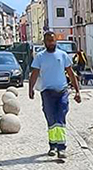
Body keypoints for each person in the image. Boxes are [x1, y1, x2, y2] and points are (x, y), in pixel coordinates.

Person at [29, 32, 82, 162]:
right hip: (47, 92)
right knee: (51, 119)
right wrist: (30, 89)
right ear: (44, 42)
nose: (51, 43)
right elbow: (34, 74)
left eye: (53, 41)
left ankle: (61, 148)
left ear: (56, 41)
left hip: (62, 92)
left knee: (60, 118)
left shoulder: (62, 55)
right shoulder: (40, 57)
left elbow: (71, 73)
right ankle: (52, 145)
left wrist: (77, 91)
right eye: (49, 41)